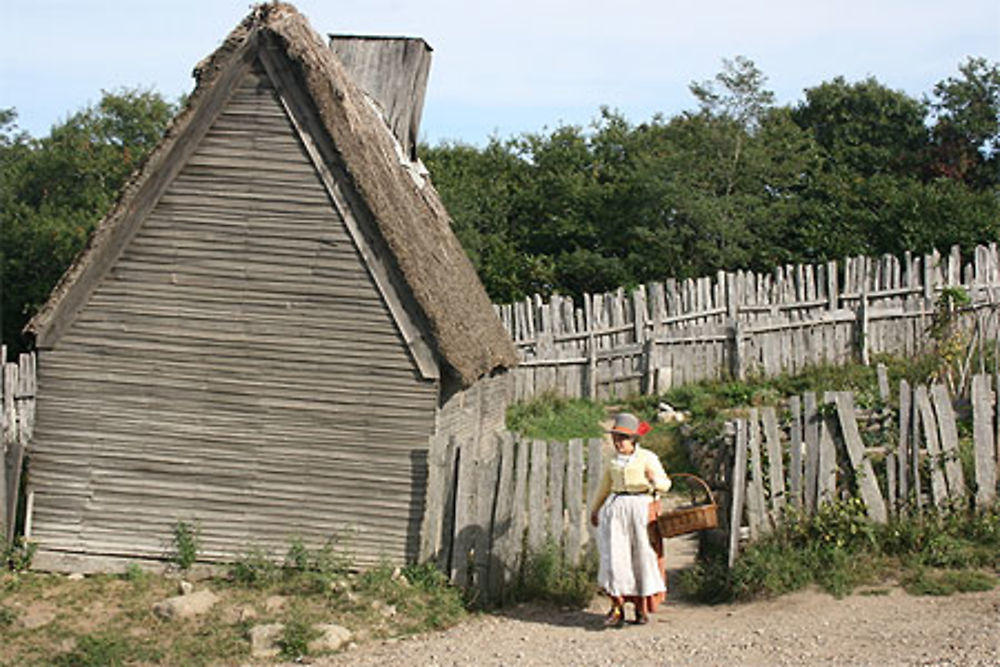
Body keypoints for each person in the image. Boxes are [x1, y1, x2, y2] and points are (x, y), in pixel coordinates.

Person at [589, 412, 671, 627]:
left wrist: (654, 481)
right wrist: (595, 509)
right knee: (616, 558)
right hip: (616, 511)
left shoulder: (647, 458)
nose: (618, 443)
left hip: (640, 509)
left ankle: (641, 608)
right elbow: (604, 487)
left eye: (622, 438)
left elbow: (665, 483)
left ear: (634, 439)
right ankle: (616, 608)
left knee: (641, 557)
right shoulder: (612, 461)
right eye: (615, 438)